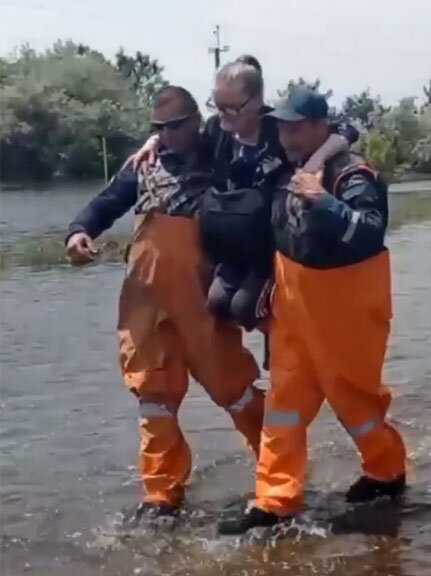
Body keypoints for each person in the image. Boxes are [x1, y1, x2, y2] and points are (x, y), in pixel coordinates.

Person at [65, 86, 265, 519]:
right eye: (159, 128)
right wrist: (79, 232)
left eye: (176, 126)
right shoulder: (142, 166)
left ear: (196, 122)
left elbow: (248, 124)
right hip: (146, 303)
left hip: (201, 301)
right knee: (153, 396)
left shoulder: (220, 155)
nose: (168, 135)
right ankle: (161, 494)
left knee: (235, 389)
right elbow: (106, 203)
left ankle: (277, 469)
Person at [218, 90, 407, 534]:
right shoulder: (284, 165)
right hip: (293, 310)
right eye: (282, 127)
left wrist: (322, 200)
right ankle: (274, 499)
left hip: (347, 313)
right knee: (283, 404)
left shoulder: (352, 174)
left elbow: (371, 233)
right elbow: (228, 138)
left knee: (354, 401)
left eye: (296, 127)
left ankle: (387, 471)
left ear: (322, 126)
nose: (286, 135)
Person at [129, 57, 348, 333]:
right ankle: (281, 342)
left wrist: (317, 159)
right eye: (217, 107)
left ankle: (287, 343)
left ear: (256, 101)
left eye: (232, 108)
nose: (223, 116)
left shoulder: (276, 129)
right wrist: (154, 140)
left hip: (270, 244)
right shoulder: (216, 132)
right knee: (218, 304)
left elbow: (345, 131)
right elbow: (182, 138)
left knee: (244, 306)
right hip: (233, 247)